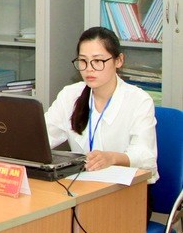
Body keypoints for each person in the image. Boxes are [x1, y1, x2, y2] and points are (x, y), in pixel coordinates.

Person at [44, 26, 158, 218]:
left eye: (98, 61)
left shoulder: (139, 100)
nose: (89, 69)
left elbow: (146, 156)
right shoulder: (70, 95)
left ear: (118, 60)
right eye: (83, 61)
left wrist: (112, 158)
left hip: (126, 194)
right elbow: (42, 137)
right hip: (79, 189)